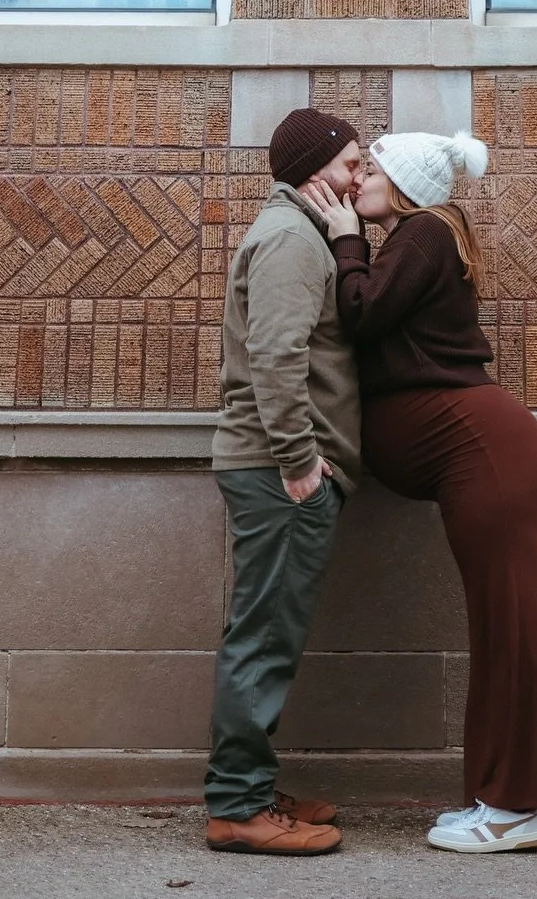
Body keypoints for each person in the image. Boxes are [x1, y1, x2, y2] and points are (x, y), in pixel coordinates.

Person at [303, 129, 537, 855]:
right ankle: (516, 803)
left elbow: (362, 311)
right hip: (480, 448)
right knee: (504, 627)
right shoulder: (424, 236)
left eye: (369, 173)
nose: (357, 186)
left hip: (482, 449)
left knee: (507, 628)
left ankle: (513, 810)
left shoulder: (421, 234)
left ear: (405, 181)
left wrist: (347, 238)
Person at [205, 106, 364, 856]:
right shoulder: (293, 239)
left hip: (274, 468)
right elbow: (274, 356)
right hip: (279, 472)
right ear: (314, 173)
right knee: (264, 639)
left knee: (265, 633)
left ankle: (252, 788)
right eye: (351, 165)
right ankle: (238, 807)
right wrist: (300, 462)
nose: (360, 178)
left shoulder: (297, 233)